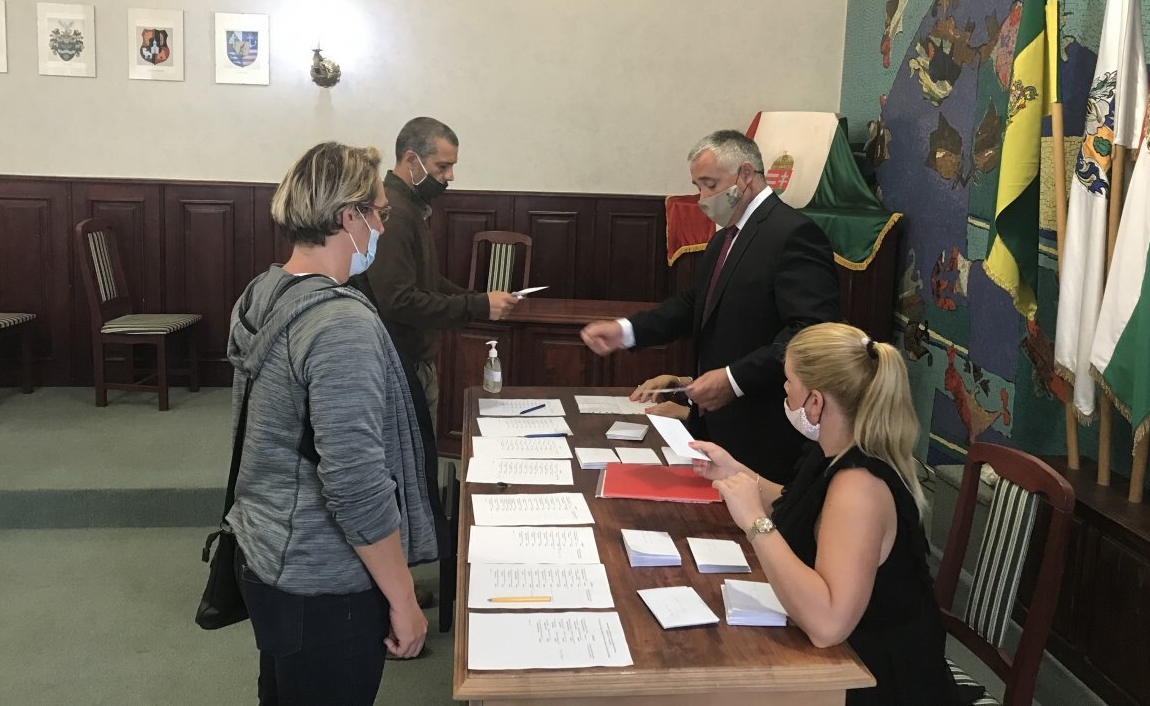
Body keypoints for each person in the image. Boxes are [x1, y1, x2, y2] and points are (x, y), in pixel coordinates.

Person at [226, 141, 439, 706]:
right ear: (349, 217)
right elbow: (355, 482)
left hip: (266, 548)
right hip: (322, 578)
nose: (382, 227)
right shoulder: (340, 323)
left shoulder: (264, 290)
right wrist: (404, 599)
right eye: (379, 213)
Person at [690, 322, 966, 706]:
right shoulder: (834, 448)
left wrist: (755, 523)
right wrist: (735, 472)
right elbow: (802, 508)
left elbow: (828, 625)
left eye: (789, 382)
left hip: (875, 677)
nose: (784, 390)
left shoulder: (860, 488)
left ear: (816, 402)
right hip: (848, 659)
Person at [580, 129, 840, 481]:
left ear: (745, 174)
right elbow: (693, 304)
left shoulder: (793, 234)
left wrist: (734, 379)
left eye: (710, 184)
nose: (702, 198)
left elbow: (809, 333)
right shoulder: (724, 239)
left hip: (763, 428)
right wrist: (626, 331)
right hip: (716, 427)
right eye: (697, 186)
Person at [352, 117, 518, 433]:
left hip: (413, 361)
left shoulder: (410, 205)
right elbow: (399, 300)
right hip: (400, 364)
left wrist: (478, 299)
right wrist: (478, 305)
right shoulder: (393, 212)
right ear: (412, 160)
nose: (449, 176)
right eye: (442, 167)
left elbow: (427, 280)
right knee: (413, 456)